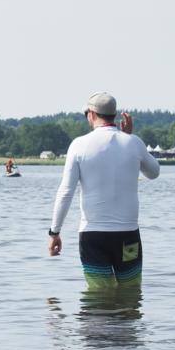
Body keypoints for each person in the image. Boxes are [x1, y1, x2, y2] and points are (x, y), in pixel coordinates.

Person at [48, 92, 160, 289]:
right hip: (128, 235)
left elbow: (66, 191)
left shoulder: (78, 145)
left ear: (91, 114)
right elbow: (154, 172)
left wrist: (54, 232)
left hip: (93, 237)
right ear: (114, 116)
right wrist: (130, 138)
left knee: (99, 296)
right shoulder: (133, 142)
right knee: (130, 292)